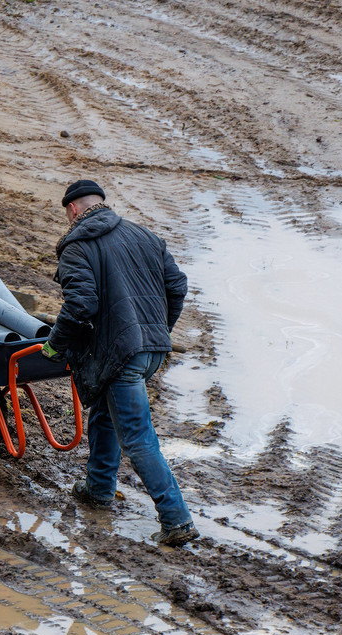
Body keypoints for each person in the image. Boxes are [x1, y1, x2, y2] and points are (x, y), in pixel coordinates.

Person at [41, 179, 198, 547]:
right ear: (102, 204)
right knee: (105, 410)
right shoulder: (145, 236)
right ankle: (98, 487)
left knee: (139, 439)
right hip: (149, 349)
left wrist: (54, 345)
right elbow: (177, 287)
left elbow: (80, 305)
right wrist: (157, 331)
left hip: (123, 353)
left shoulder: (77, 245)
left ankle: (177, 519)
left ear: (73, 210)